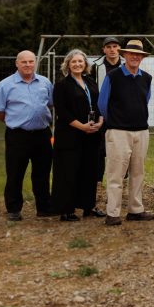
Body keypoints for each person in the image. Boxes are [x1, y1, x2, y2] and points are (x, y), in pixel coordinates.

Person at [0, 50, 55, 221]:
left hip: (42, 134)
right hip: (18, 136)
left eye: (31, 61)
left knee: (42, 172)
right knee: (15, 173)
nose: (28, 65)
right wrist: (13, 120)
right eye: (24, 62)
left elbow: (50, 104)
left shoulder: (45, 82)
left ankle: (44, 207)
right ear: (16, 63)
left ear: (35, 63)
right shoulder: (5, 85)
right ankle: (13, 209)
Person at [97, 39, 154, 226]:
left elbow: (144, 100)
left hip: (141, 131)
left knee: (138, 173)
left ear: (142, 57)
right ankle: (112, 213)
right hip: (118, 131)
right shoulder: (113, 76)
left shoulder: (146, 78)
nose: (135, 57)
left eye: (138, 54)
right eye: (131, 54)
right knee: (116, 174)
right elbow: (102, 104)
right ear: (125, 55)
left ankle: (135, 210)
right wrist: (116, 120)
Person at [52, 49, 103, 221]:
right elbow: (62, 111)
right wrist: (81, 126)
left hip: (91, 134)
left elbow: (99, 103)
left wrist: (101, 120)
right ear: (67, 65)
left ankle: (88, 206)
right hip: (70, 135)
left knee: (89, 171)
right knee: (68, 172)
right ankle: (67, 210)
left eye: (80, 61)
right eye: (73, 62)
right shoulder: (62, 85)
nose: (77, 64)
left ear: (85, 64)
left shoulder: (90, 81)